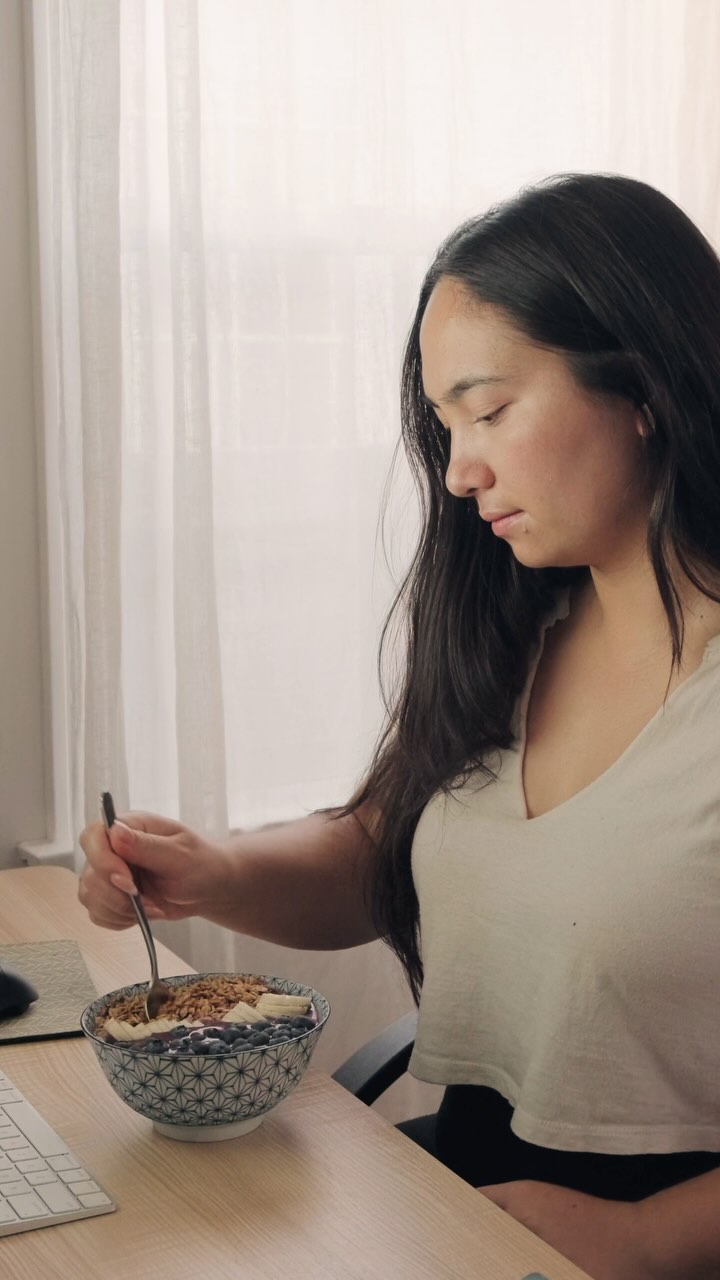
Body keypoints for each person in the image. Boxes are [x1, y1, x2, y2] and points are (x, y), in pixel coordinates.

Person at [79, 172, 720, 1280]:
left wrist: (645, 1238)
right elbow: (383, 847)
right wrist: (211, 869)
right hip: (468, 1216)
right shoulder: (518, 627)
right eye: (444, 424)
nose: (460, 469)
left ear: (644, 382)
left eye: (490, 408)